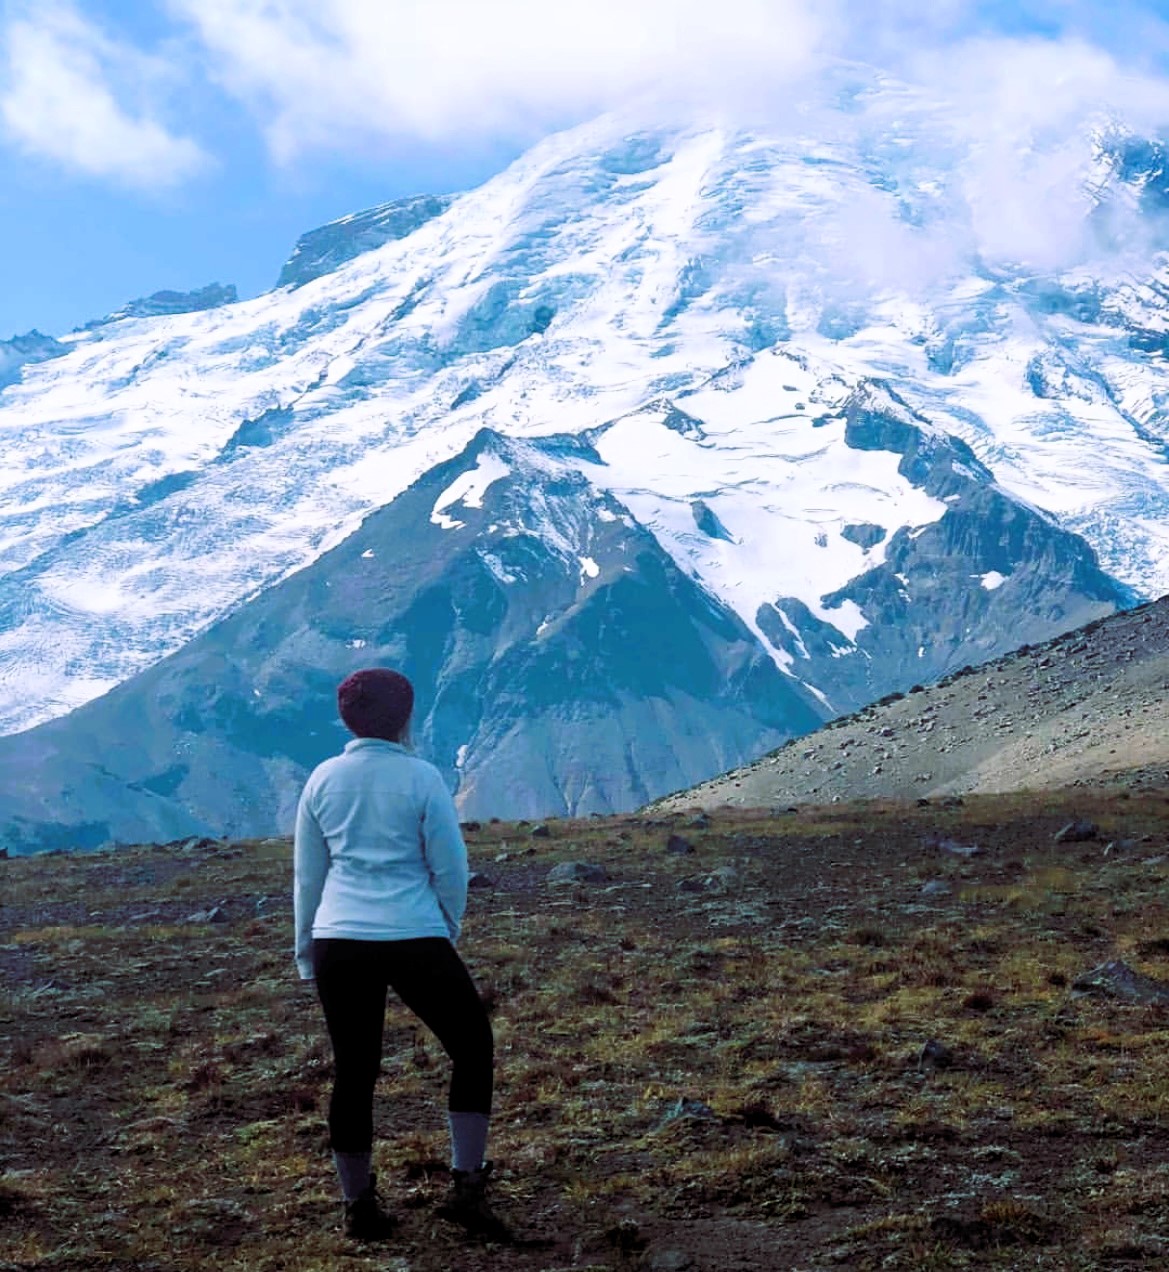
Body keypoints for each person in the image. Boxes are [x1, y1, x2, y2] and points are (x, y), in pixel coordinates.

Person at [293, 668, 508, 1242]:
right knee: (471, 1045)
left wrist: (306, 949)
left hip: (340, 937)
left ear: (347, 717)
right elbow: (451, 866)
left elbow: (308, 877)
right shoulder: (422, 778)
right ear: (405, 716)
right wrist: (446, 927)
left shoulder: (322, 779)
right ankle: (466, 1187)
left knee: (355, 1072)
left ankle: (358, 1206)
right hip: (415, 935)